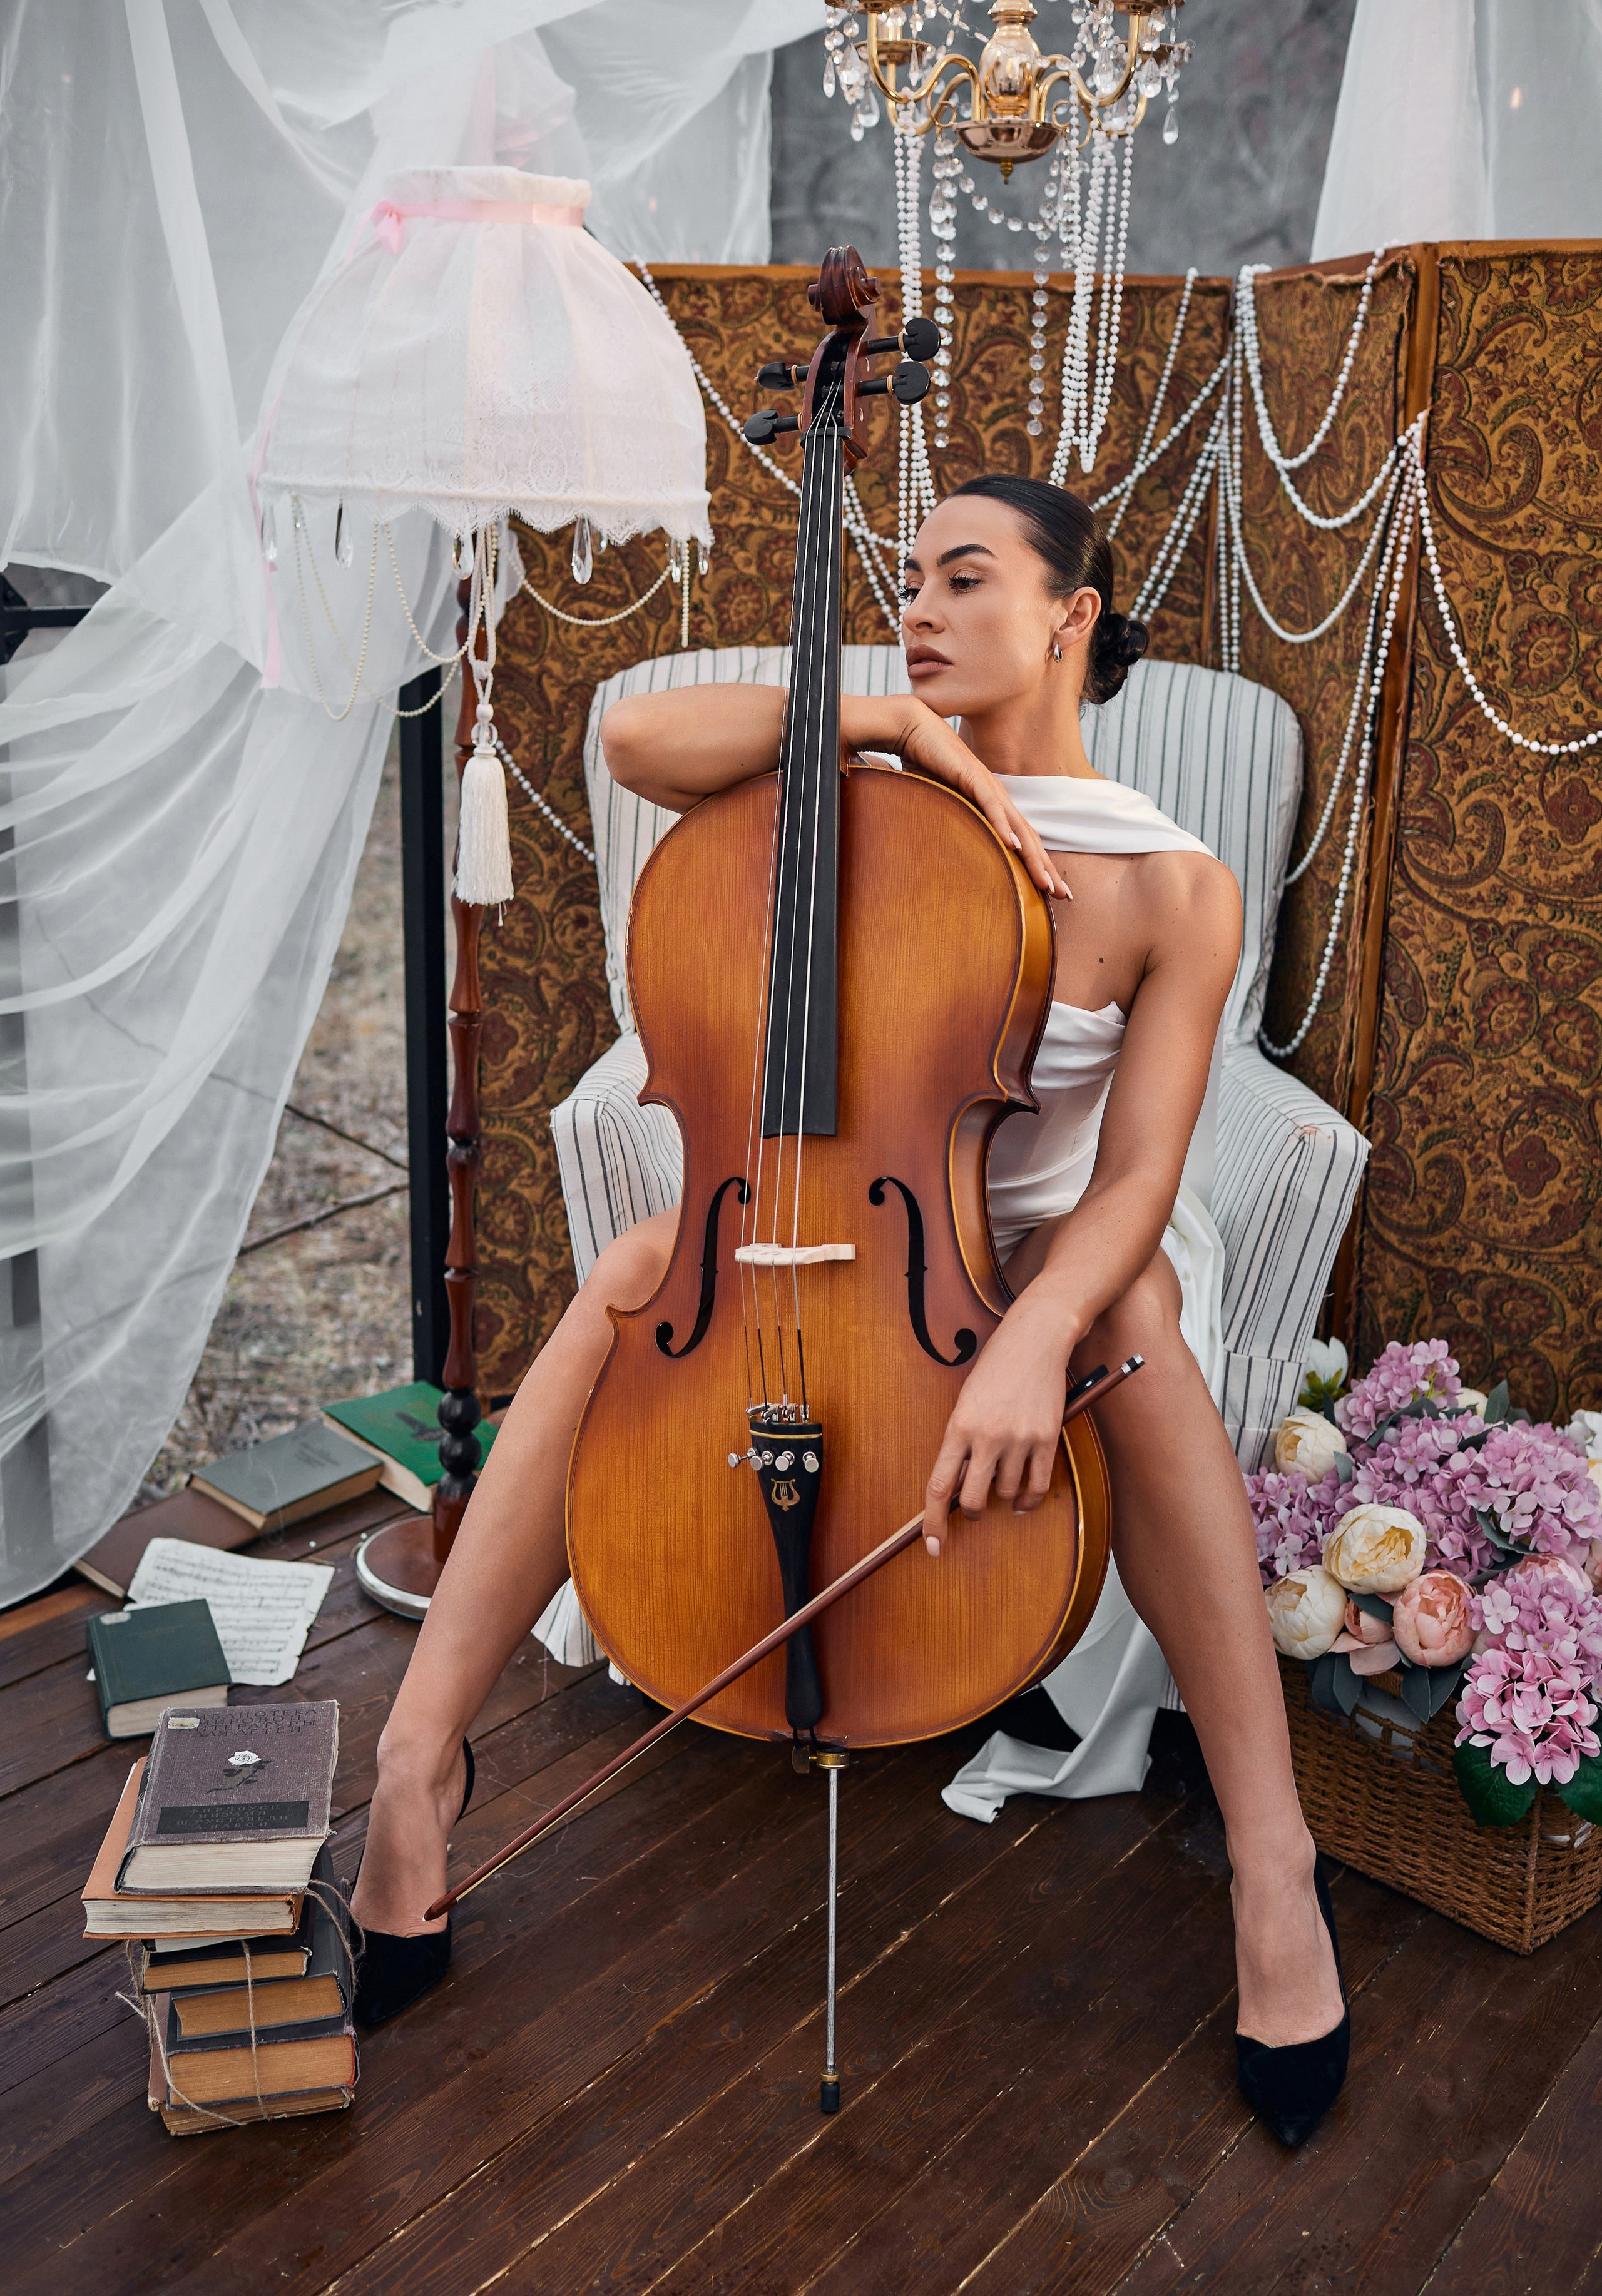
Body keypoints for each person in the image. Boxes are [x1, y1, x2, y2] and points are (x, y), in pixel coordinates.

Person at [351, 477, 1349, 2145]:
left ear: (1069, 613)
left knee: (1134, 1318)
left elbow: (1131, 1181)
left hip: (1035, 1263)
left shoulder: (1178, 885)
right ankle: (414, 1764)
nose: (926, 605)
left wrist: (1031, 1335)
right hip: (818, 1239)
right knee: (627, 1275)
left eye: (967, 579)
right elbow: (636, 746)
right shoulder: (859, 785)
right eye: (911, 580)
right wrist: (881, 723)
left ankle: (1274, 1860)